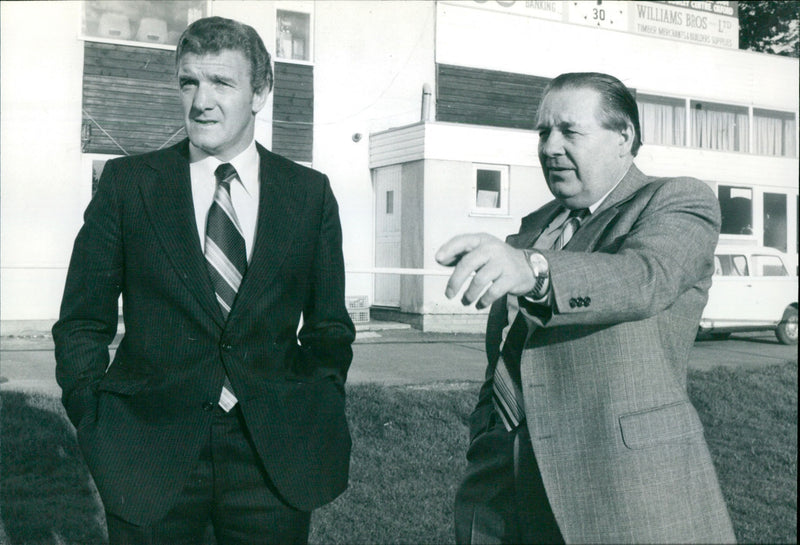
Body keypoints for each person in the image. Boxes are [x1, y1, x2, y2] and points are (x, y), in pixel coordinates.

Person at [53, 16, 354, 544]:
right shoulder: (129, 186)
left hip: (272, 460)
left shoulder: (308, 194)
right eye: (189, 81)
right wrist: (95, 419)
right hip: (147, 454)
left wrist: (317, 403)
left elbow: (329, 328)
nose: (201, 101)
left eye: (222, 83)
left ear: (260, 92)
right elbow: (81, 321)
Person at [436, 72, 736, 544]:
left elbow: (642, 279)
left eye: (569, 131)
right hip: (502, 489)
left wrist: (534, 270)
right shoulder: (534, 226)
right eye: (542, 132)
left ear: (624, 138)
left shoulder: (676, 201)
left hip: (621, 492)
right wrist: (486, 433)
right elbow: (507, 354)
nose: (550, 147)